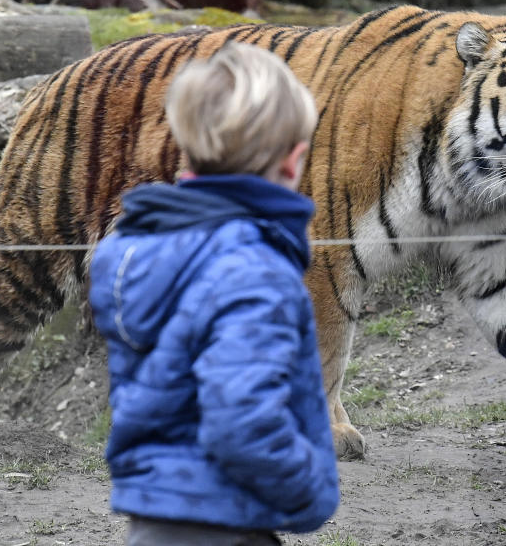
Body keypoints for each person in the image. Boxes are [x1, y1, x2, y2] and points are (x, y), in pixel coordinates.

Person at [88, 42, 339, 546]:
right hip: (226, 525)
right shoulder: (251, 269)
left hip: (153, 519)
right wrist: (309, 492)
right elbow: (241, 421)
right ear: (294, 163)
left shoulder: (134, 250)